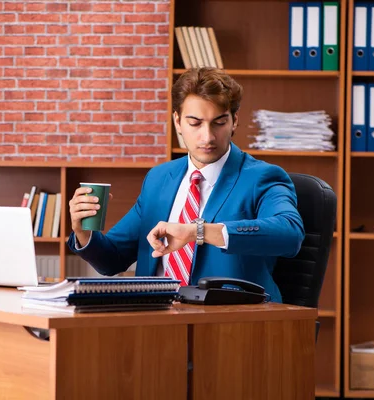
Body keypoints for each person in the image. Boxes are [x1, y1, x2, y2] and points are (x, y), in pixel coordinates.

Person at [66, 67, 305, 303]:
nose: (207, 137)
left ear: (234, 121)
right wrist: (84, 233)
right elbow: (112, 260)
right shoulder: (159, 179)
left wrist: (196, 231)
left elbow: (289, 233)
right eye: (195, 123)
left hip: (230, 325)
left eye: (219, 122)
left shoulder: (262, 177)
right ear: (178, 122)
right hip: (156, 321)